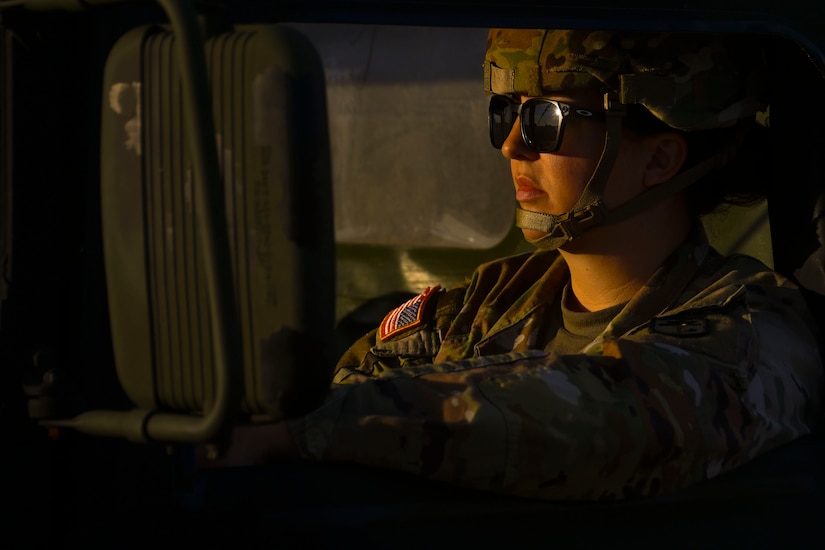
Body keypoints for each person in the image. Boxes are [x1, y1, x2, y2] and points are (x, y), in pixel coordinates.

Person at [227, 28, 824, 500]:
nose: (513, 143)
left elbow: (601, 414)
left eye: (548, 120)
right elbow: (346, 388)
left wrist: (305, 431)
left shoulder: (751, 334)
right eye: (505, 112)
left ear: (660, 158)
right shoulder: (478, 309)